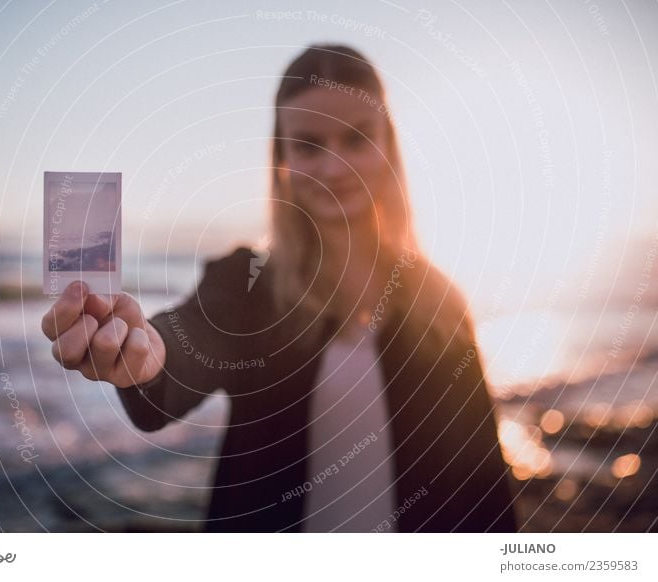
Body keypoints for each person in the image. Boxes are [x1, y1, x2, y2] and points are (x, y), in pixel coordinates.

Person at [41, 44, 519, 533]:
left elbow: (483, 481)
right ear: (282, 158)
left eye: (357, 139)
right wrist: (144, 352)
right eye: (309, 145)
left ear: (388, 145)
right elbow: (189, 339)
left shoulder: (440, 301)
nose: (335, 168)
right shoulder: (248, 286)